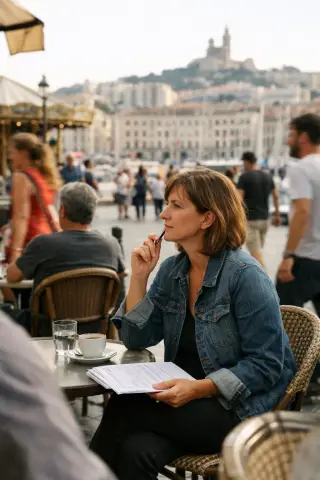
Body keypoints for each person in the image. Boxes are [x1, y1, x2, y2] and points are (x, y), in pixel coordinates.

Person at [90, 169, 296, 480]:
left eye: (176, 205)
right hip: (185, 405)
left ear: (207, 219)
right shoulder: (174, 270)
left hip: (241, 411)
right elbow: (135, 336)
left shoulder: (245, 276)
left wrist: (198, 389)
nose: (163, 213)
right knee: (137, 451)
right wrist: (140, 276)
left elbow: (266, 365)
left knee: (125, 405)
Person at [0, 310, 115, 480]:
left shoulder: (6, 344)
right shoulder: (9, 343)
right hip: (96, 322)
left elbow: (31, 301)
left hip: (46, 327)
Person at [7, 182, 125, 333]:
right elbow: (120, 290)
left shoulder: (43, 244)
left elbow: (12, 276)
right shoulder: (111, 245)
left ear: (62, 211)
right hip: (96, 330)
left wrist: (15, 248)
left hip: (46, 329)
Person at [3, 133, 61, 308]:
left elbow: (22, 217)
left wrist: (15, 253)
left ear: (23, 153)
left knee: (17, 296)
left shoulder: (20, 176)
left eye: (11, 151)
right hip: (45, 240)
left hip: (29, 243)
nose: (9, 156)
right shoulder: (41, 176)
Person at [276, 114, 320, 319]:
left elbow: (302, 211)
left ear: (303, 137)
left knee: (284, 321)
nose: (288, 141)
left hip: (305, 258)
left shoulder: (301, 168)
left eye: (291, 135)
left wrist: (288, 256)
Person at [237, 151, 280, 267]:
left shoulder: (244, 177)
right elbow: (276, 196)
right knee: (257, 252)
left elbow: (238, 199)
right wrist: (277, 215)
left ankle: (264, 281)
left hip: (250, 220)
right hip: (265, 220)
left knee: (256, 256)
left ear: (246, 162)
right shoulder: (268, 176)